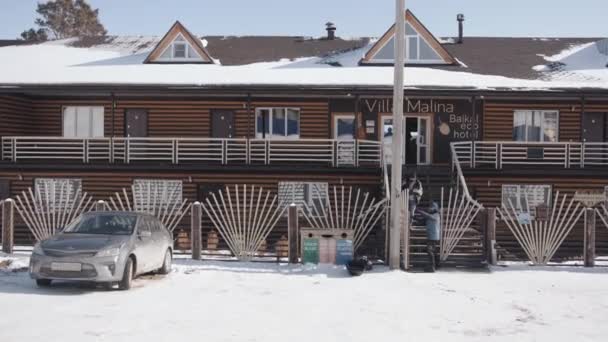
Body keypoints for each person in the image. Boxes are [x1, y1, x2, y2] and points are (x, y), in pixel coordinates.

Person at [416, 202, 441, 272]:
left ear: (435, 209)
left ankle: (432, 267)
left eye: (431, 208)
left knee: (430, 251)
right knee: (434, 251)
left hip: (434, 236)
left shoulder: (436, 215)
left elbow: (428, 216)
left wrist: (420, 211)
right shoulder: (430, 216)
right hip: (431, 236)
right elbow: (422, 221)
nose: (429, 209)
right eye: (429, 208)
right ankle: (437, 265)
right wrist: (414, 218)